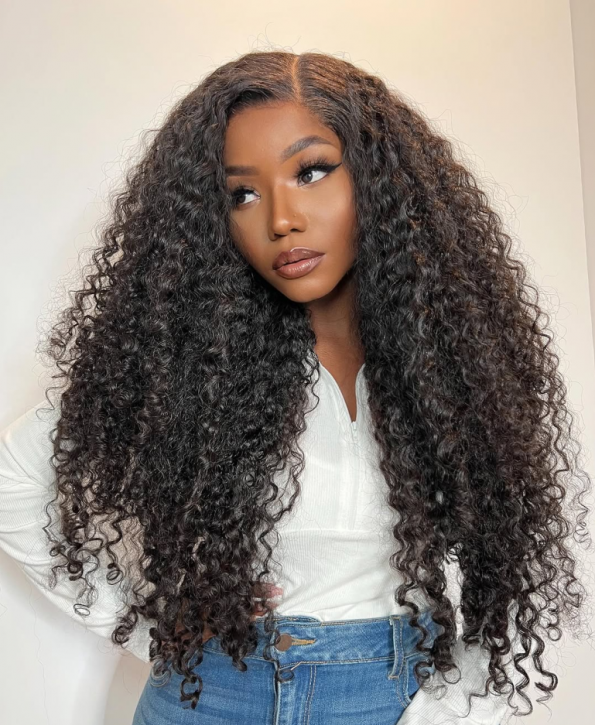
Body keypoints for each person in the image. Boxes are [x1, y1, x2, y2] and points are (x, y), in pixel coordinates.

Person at [0, 49, 591, 725]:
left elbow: (512, 563)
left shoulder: (456, 363)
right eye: (242, 194)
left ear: (378, 179)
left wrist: (452, 712)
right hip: (206, 697)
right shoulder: (190, 360)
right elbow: (16, 478)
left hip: (387, 697)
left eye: (310, 172)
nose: (280, 219)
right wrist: (146, 625)